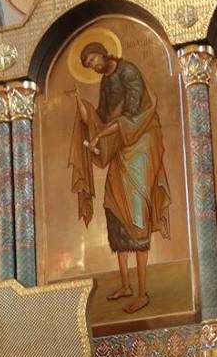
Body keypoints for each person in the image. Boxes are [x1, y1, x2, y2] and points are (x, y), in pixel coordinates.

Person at [69, 38, 171, 315]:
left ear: (102, 54)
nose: (93, 66)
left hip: (141, 143)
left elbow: (134, 113)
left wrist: (102, 133)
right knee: (114, 207)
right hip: (120, 144)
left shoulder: (128, 72)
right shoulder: (105, 82)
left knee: (136, 214)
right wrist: (81, 105)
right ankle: (126, 285)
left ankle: (142, 293)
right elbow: (102, 116)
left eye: (93, 60)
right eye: (88, 65)